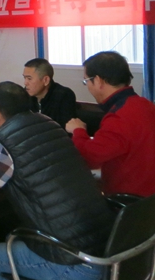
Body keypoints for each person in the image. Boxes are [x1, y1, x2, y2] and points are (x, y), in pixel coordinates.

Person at [0, 82, 114, 280]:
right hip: (106, 248)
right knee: (9, 235)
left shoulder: (4, 142)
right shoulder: (50, 123)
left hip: (74, 263)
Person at [66, 51, 155, 197]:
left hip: (131, 202)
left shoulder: (119, 117)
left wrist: (78, 130)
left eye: (86, 81)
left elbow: (88, 158)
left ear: (98, 81)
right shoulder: (146, 105)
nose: (87, 86)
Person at [23, 58, 77, 129]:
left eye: (29, 79)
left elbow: (64, 129)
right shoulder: (24, 95)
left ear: (46, 80)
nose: (25, 83)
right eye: (24, 78)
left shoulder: (64, 95)